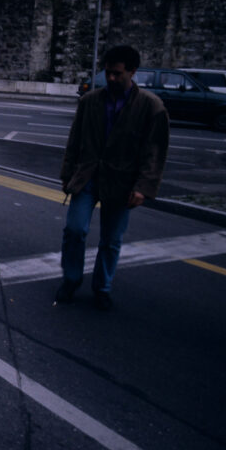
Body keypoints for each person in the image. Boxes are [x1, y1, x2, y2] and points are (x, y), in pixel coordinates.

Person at [55, 45, 170, 310]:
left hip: (122, 181)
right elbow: (74, 141)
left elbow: (155, 151)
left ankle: (102, 287)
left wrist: (143, 187)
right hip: (87, 176)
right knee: (74, 229)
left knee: (111, 239)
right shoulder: (90, 101)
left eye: (118, 74)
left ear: (132, 72)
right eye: (107, 73)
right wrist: (67, 174)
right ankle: (71, 279)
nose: (111, 79)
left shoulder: (151, 107)